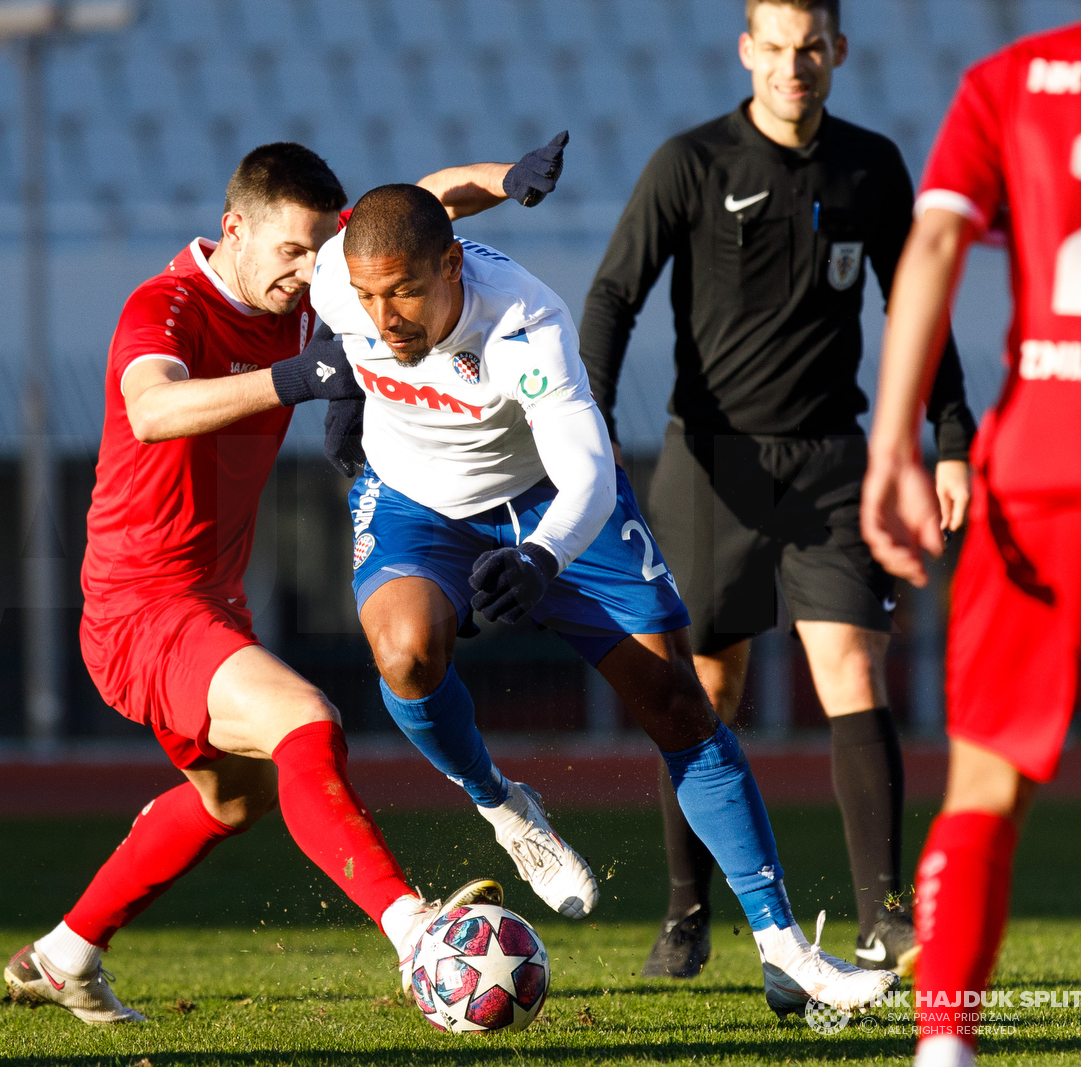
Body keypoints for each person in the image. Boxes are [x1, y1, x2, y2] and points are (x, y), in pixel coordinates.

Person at [1, 138, 572, 1024]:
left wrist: (508, 179)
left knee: (233, 796)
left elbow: (419, 203)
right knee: (306, 722)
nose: (311, 275)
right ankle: (415, 930)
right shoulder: (165, 306)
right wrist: (295, 379)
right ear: (234, 228)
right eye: (292, 253)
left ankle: (65, 952)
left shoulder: (308, 289)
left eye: (321, 253)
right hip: (139, 607)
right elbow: (151, 409)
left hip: (210, 601)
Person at [309, 181, 897, 1018]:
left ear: (451, 265)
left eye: (403, 290)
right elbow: (376, 248)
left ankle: (787, 952)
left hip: (554, 503)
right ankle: (503, 806)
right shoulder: (342, 277)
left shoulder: (524, 325)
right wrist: (340, 394)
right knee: (403, 651)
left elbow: (587, 472)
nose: (383, 315)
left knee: (679, 706)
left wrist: (542, 557)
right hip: (417, 504)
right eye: (369, 296)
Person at [578, 0, 977, 978]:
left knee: (850, 669)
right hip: (711, 469)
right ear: (747, 52)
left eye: (811, 49)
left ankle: (881, 914)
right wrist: (582, 425)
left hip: (833, 465)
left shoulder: (871, 165)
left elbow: (914, 303)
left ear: (837, 52)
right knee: (701, 689)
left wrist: (950, 437)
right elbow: (613, 294)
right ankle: (686, 914)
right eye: (777, 49)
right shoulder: (690, 163)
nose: (793, 67)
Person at [861, 7, 1081, 1067]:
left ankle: (944, 1045)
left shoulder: (1013, 76)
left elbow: (932, 239)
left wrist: (892, 445)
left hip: (1055, 453)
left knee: (984, 786)